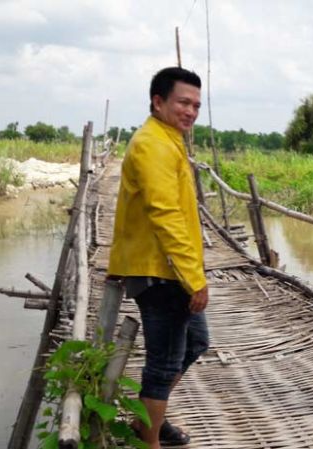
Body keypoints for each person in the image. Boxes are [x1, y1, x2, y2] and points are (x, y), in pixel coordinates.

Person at [108, 66, 209, 449]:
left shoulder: (168, 139)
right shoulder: (152, 143)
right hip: (161, 272)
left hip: (168, 268)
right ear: (158, 101)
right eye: (183, 102)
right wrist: (193, 278)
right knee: (164, 363)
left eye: (196, 105)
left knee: (196, 342)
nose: (191, 111)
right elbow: (165, 215)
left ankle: (148, 417)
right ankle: (146, 441)